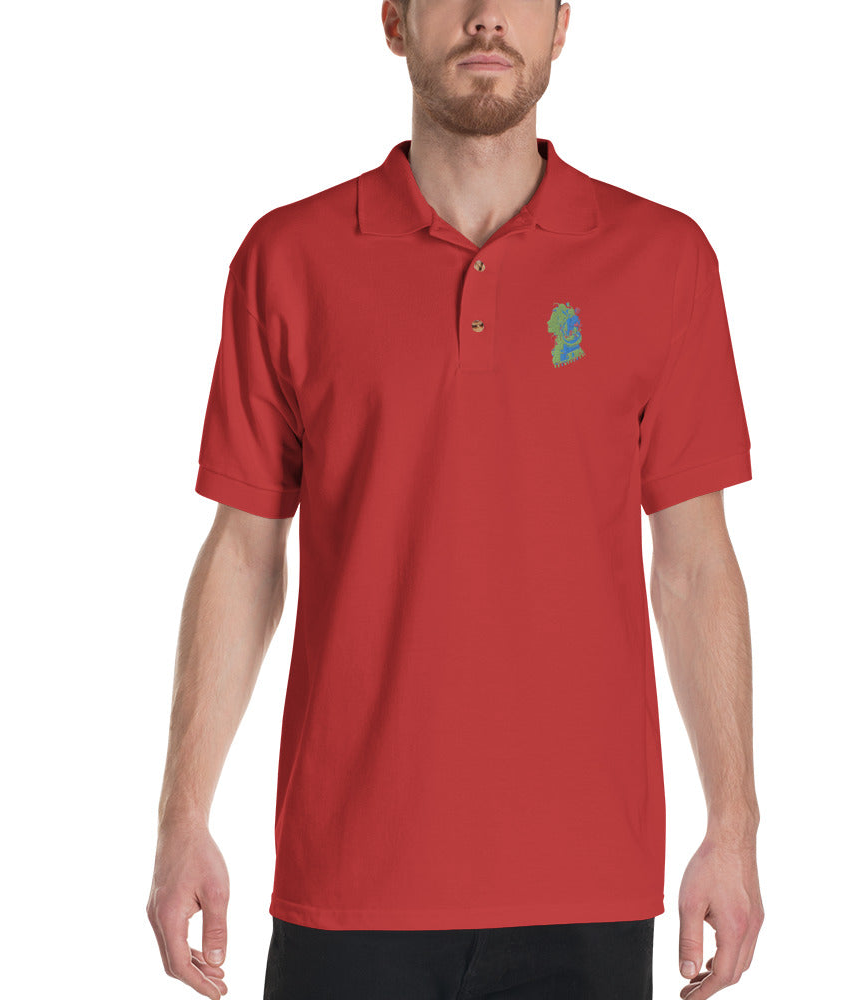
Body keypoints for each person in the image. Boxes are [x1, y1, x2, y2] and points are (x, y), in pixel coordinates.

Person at [146, 1, 764, 998]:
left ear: (561, 25)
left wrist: (732, 829)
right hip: (350, 879)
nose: (486, 17)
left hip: (586, 884)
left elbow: (694, 565)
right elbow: (245, 551)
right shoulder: (287, 257)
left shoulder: (664, 258)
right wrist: (183, 819)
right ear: (395, 20)